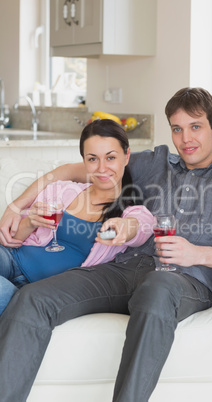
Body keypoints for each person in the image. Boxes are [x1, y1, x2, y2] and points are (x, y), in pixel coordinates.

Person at [0, 87, 212, 402]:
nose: (185, 138)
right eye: (177, 129)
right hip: (122, 267)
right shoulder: (155, 163)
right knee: (33, 298)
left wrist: (197, 253)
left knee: (157, 288)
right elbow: (70, 171)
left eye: (195, 127)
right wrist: (16, 206)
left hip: (185, 279)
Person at [0, 118, 154, 314]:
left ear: (126, 156)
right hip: (11, 258)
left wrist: (126, 227)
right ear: (84, 162)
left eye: (110, 157)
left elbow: (142, 225)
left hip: (34, 290)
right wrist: (29, 222)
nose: (101, 168)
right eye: (92, 159)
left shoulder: (129, 212)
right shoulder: (62, 191)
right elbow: (11, 240)